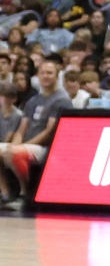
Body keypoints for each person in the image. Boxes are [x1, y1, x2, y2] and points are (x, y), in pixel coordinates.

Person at [1, 58, 71, 203]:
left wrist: (18, 148)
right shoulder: (33, 100)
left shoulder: (61, 100)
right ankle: (5, 193)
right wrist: (15, 144)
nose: (46, 76)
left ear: (56, 76)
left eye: (50, 73)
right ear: (37, 76)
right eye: (43, 73)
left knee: (13, 153)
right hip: (28, 145)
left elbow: (48, 132)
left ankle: (25, 193)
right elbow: (22, 129)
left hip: (45, 148)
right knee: (8, 150)